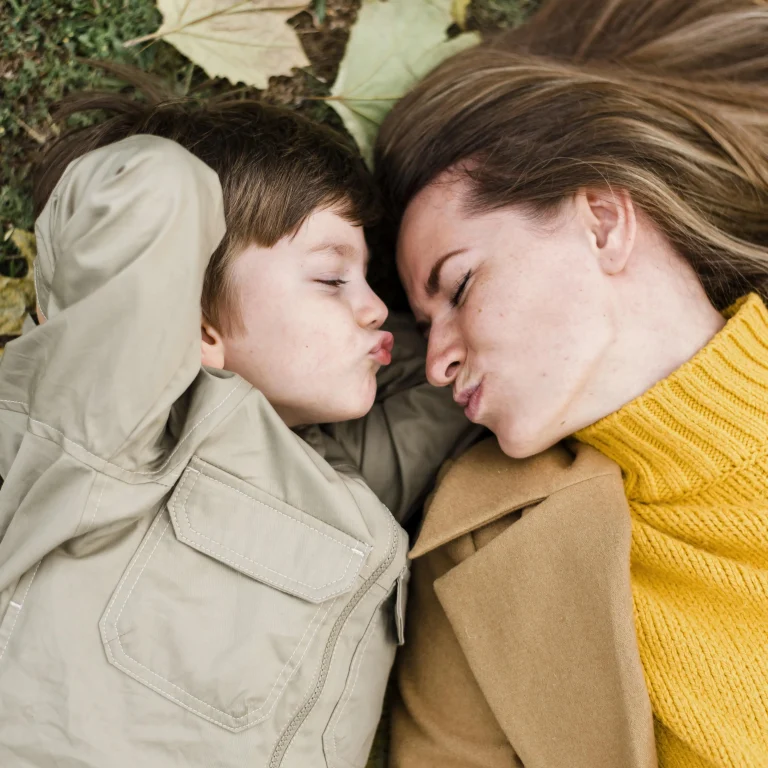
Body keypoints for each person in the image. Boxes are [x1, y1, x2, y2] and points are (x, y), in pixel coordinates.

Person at [0, 91, 472, 767]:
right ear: (195, 323)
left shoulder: (341, 479)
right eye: (331, 278)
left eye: (369, 280)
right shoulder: (117, 421)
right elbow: (150, 188)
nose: (373, 306)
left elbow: (461, 372)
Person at [374, 0, 768, 766]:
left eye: (459, 287)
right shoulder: (482, 545)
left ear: (602, 223)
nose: (438, 361)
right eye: (425, 325)